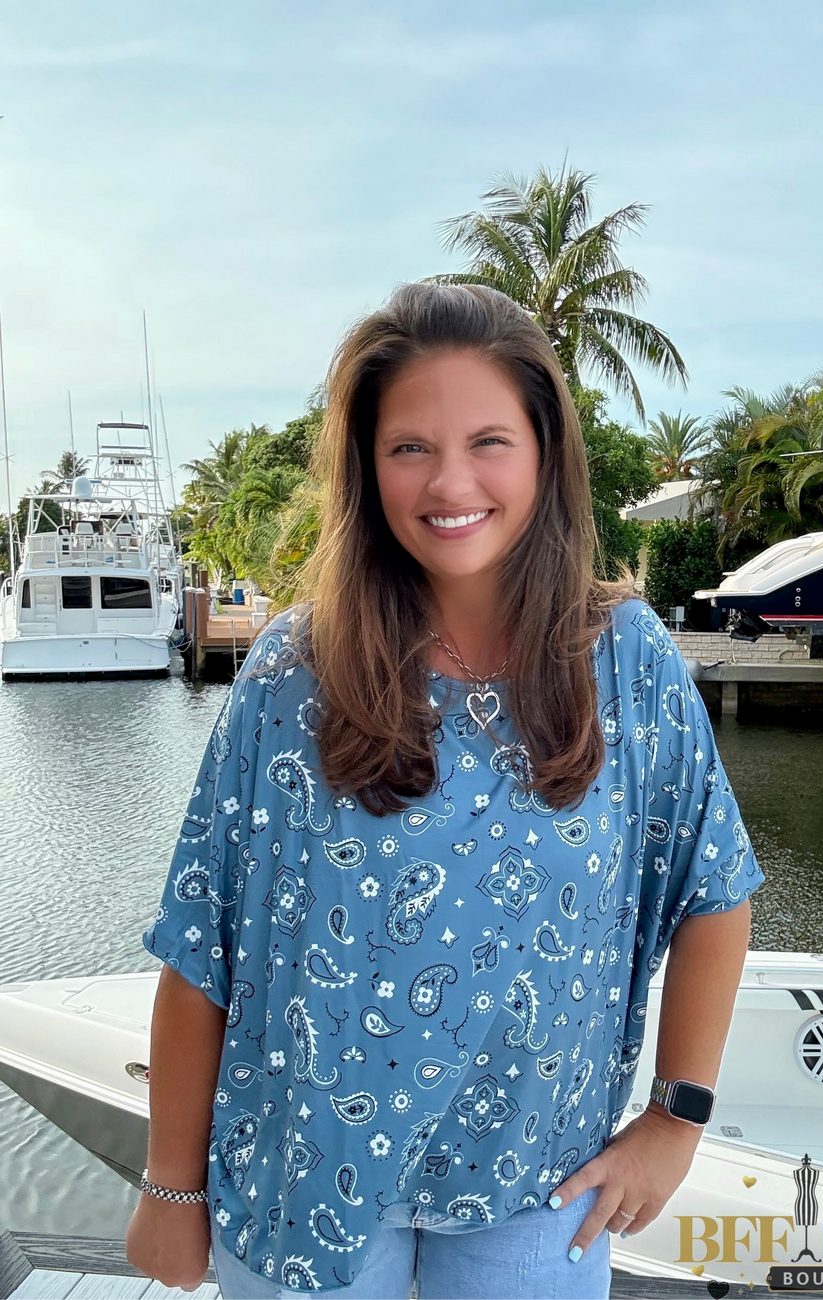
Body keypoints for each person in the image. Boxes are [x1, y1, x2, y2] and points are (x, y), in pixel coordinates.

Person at [125, 282, 765, 1299]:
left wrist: (674, 1119)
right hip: (302, 1191)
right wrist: (169, 1188)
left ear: (545, 452)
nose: (449, 479)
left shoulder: (625, 661)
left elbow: (715, 888)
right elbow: (203, 946)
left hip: (537, 1189)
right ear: (366, 467)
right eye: (409, 446)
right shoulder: (295, 672)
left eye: (488, 440)